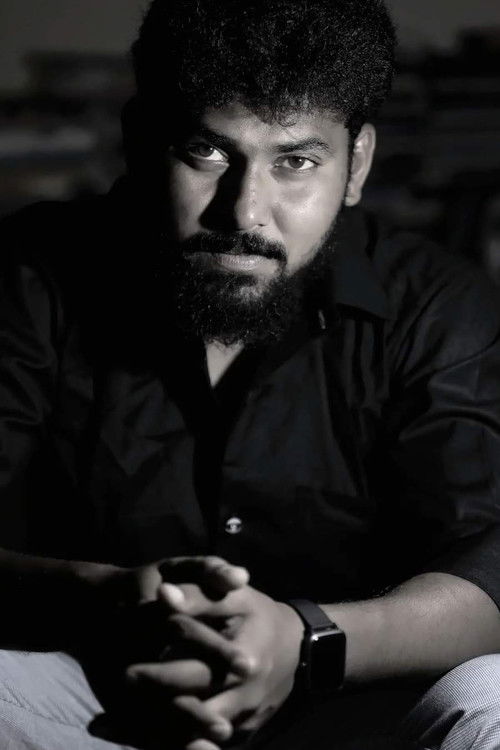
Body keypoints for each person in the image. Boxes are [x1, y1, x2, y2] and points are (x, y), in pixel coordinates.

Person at [0, 0, 500, 748]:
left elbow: (490, 569)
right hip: (92, 697)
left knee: (494, 697)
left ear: (358, 163)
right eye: (207, 152)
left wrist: (306, 641)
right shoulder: (26, 277)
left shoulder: (437, 305)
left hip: (349, 712)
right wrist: (106, 598)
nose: (244, 213)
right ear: (140, 141)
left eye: (295, 161)